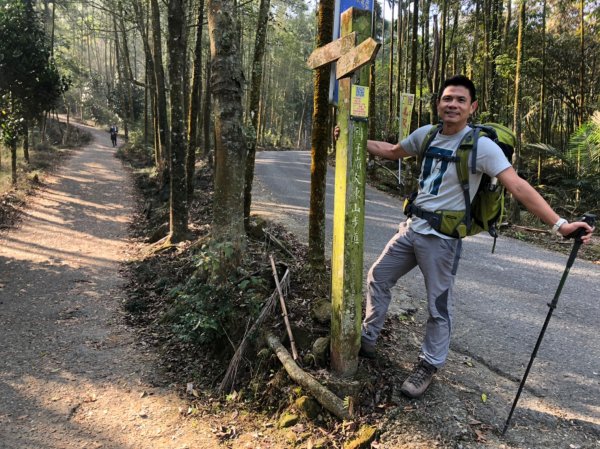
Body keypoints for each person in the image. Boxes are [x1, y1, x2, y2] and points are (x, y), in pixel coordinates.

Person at [337, 75, 595, 399]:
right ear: (438, 103)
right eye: (447, 98)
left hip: (442, 241)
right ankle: (368, 339)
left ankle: (429, 364)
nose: (452, 104)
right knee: (378, 276)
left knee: (437, 306)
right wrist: (351, 136)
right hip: (411, 229)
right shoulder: (427, 135)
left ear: (471, 107)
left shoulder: (481, 146)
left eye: (460, 100)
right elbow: (391, 151)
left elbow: (517, 186)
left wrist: (560, 225)